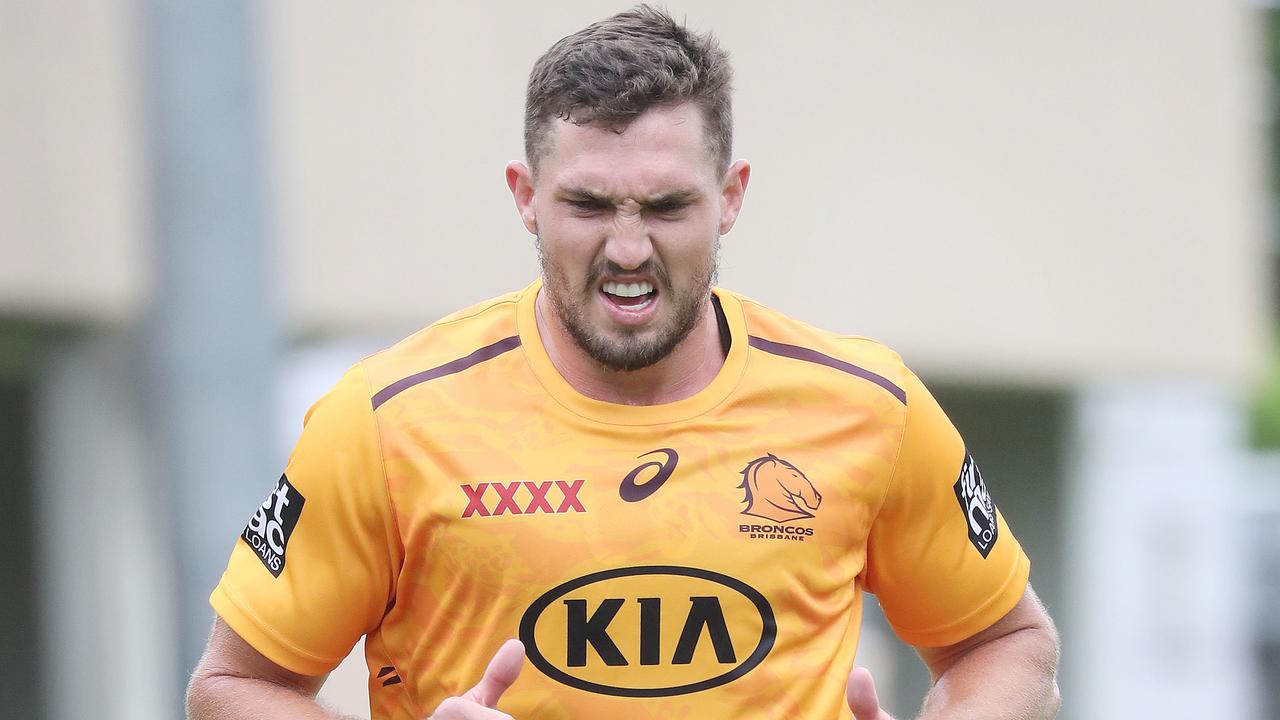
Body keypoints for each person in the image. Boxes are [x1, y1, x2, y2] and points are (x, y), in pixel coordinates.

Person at [187, 6, 1061, 719]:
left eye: (669, 205)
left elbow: (1008, 644)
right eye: (589, 204)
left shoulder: (869, 405)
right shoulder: (386, 420)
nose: (630, 248)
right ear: (526, 198)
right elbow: (233, 687)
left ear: (731, 196)